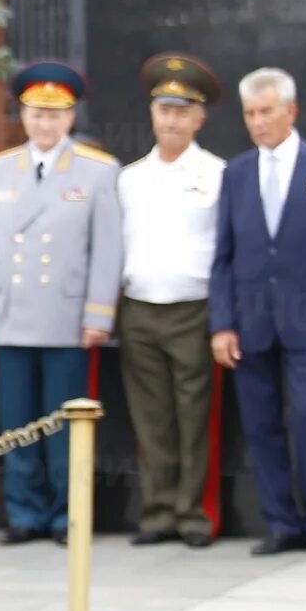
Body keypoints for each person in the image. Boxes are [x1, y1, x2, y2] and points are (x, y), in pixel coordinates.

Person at [0, 62, 122, 544]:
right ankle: (24, 512)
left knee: (62, 422)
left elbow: (107, 250)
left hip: (66, 317)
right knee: (17, 421)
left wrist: (99, 314)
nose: (45, 123)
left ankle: (64, 514)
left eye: (55, 115)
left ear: (71, 117)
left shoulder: (98, 171)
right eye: (36, 113)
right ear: (23, 115)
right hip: (12, 314)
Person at [210, 67, 306, 556]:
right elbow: (224, 255)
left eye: (266, 112)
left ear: (290, 111)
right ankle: (280, 522)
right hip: (251, 320)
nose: (257, 123)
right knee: (261, 423)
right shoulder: (235, 173)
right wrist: (222, 324)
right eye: (250, 114)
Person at [118, 54, 225, 548]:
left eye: (183, 111)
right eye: (164, 109)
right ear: (152, 114)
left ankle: (193, 515)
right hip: (140, 307)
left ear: (199, 118)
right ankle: (158, 511)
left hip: (192, 309)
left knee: (193, 416)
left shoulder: (218, 174)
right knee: (151, 416)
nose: (172, 119)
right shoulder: (131, 177)